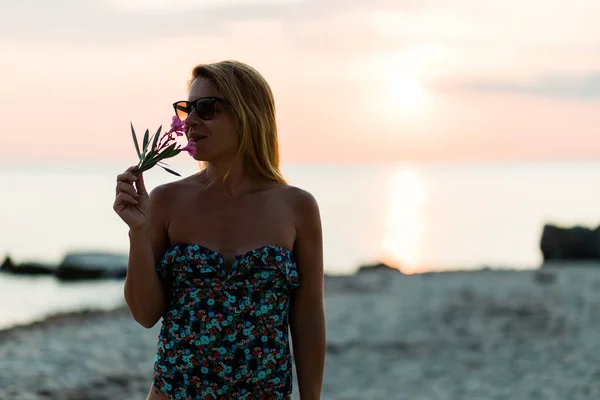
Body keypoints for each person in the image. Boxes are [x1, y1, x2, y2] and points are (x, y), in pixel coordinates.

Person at [113, 60, 326, 400]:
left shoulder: (297, 207)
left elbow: (308, 317)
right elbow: (145, 314)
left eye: (206, 108)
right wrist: (138, 232)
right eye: (186, 110)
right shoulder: (166, 200)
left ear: (247, 114)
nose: (190, 122)